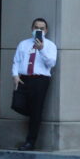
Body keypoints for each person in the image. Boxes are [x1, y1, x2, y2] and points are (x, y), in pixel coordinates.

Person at [11, 18, 57, 150]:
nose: (39, 30)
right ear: (32, 29)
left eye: (42, 28)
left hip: (40, 80)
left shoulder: (50, 45)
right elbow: (16, 61)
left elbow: (51, 64)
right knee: (17, 104)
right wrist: (15, 75)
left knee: (36, 111)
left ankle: (30, 142)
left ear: (46, 31)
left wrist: (41, 49)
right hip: (24, 78)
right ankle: (33, 115)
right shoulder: (23, 44)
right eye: (36, 27)